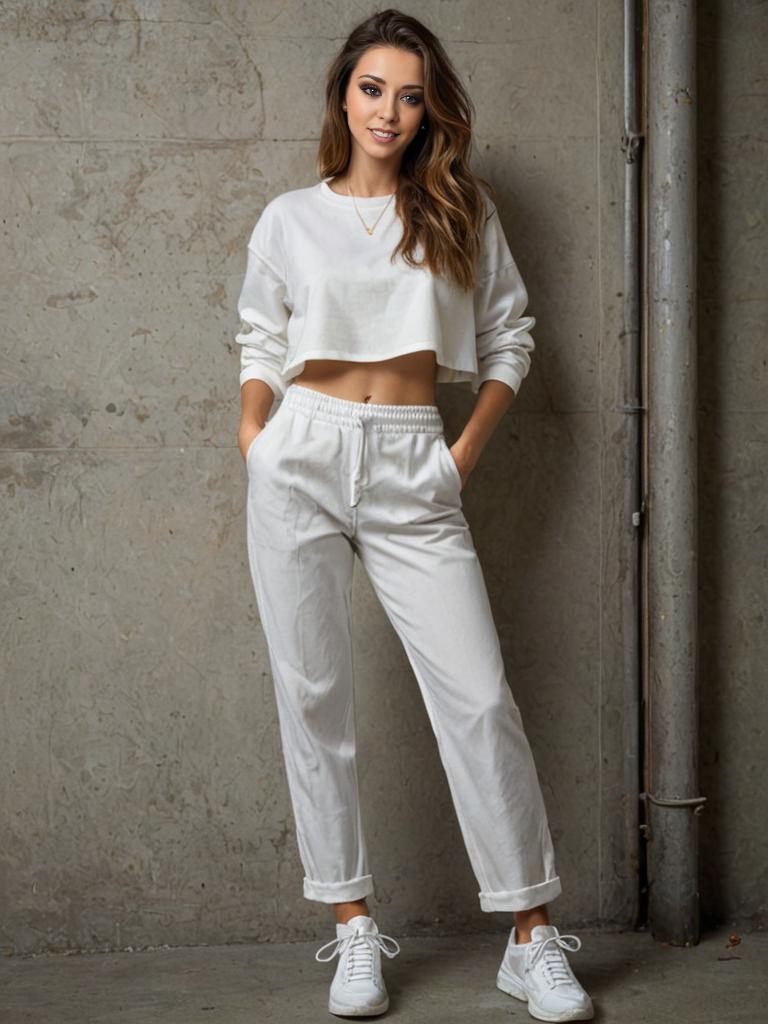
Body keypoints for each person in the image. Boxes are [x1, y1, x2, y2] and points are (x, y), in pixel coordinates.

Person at [234, 8, 594, 1021]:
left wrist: (459, 456)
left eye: (409, 92)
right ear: (342, 96)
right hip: (300, 454)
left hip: (412, 464)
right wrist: (257, 437)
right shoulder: (288, 218)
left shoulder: (458, 210)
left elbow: (511, 338)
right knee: (314, 699)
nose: (389, 109)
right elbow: (261, 338)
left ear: (428, 107)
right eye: (371, 87)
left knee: (479, 698)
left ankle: (530, 936)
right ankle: (352, 928)